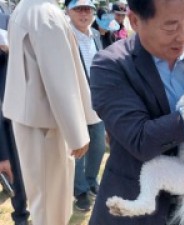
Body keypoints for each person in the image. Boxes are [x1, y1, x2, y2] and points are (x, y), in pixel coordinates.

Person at [88, 0, 184, 224]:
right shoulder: (111, 66)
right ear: (135, 20)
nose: (183, 36)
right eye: (170, 26)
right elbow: (141, 140)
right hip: (139, 209)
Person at [2, 0, 101, 224]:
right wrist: (77, 134)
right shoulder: (45, 14)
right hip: (47, 124)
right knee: (51, 206)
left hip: (34, 118)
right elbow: (60, 80)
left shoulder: (27, 8)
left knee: (44, 202)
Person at [65, 0, 106, 212]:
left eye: (88, 9)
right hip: (75, 100)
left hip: (97, 101)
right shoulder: (65, 36)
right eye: (78, 9)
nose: (84, 14)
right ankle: (80, 191)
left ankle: (91, 181)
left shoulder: (96, 35)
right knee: (78, 148)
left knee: (98, 145)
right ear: (68, 11)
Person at [0, 13, 30, 225]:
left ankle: (23, 214)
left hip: (18, 105)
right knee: (9, 164)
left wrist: (11, 52)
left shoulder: (11, 19)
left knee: (21, 166)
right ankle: (20, 215)